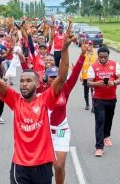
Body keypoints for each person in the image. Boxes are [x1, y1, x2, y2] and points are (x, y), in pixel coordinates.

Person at [0, 32, 73, 184]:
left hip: (43, 165)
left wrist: (65, 49)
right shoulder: (15, 101)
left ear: (37, 84)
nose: (24, 84)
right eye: (22, 81)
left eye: (28, 81)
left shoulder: (45, 99)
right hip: (20, 166)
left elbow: (61, 78)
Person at [47, 43, 87, 184]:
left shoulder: (66, 89)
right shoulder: (40, 90)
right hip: (44, 131)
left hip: (60, 131)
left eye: (55, 76)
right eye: (50, 76)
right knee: (44, 168)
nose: (53, 79)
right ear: (46, 78)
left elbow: (75, 74)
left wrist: (82, 56)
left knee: (58, 166)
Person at [87, 46, 120, 157]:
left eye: (105, 57)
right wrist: (98, 83)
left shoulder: (115, 64)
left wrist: (114, 82)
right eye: (101, 57)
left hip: (111, 98)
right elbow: (89, 82)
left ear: (108, 56)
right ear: (98, 56)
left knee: (108, 119)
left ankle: (106, 136)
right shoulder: (93, 66)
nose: (103, 59)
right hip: (98, 98)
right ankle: (99, 147)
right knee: (100, 121)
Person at [80, 40, 97, 110]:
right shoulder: (83, 54)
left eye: (90, 45)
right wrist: (81, 75)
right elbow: (80, 65)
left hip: (93, 77)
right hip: (85, 76)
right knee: (86, 91)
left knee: (94, 92)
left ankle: (93, 106)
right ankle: (87, 104)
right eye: (88, 45)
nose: (89, 46)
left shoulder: (96, 55)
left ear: (92, 46)